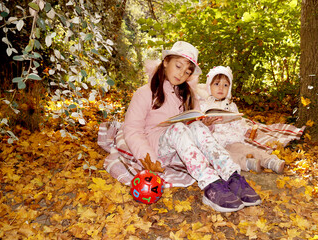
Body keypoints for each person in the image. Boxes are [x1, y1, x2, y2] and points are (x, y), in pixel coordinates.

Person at [98, 41, 261, 213]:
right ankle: (210, 183)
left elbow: (197, 127)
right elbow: (132, 130)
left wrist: (205, 124)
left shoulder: (188, 95)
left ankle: (232, 176)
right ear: (166, 62)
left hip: (184, 152)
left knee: (196, 126)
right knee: (178, 128)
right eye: (178, 66)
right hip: (157, 148)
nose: (181, 73)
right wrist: (149, 158)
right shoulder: (144, 93)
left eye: (187, 71)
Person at [197, 66, 305, 173]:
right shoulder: (202, 105)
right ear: (209, 86)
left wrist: (245, 131)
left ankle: (270, 161)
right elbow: (196, 127)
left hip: (230, 139)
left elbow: (238, 123)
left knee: (247, 149)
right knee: (222, 156)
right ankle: (248, 163)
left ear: (229, 89)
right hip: (212, 143)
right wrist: (205, 124)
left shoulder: (230, 105)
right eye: (216, 84)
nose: (221, 88)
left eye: (225, 85)